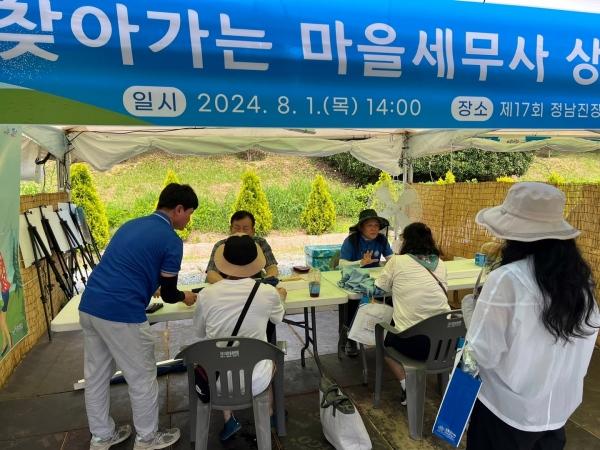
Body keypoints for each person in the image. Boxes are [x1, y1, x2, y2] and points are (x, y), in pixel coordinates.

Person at [465, 182, 599, 450]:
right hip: (556, 413)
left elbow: (482, 354)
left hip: (504, 413)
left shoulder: (507, 279)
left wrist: (471, 311)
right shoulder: (581, 285)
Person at [78, 183, 199, 450]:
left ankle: (102, 436)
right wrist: (184, 297)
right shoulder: (171, 240)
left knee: (96, 376)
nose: (188, 219)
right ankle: (147, 438)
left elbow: (126, 265)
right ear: (178, 209)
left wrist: (148, 283)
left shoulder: (131, 225)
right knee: (142, 376)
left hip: (90, 306)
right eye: (189, 213)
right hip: (122, 313)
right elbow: (168, 294)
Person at [193, 234, 286, 441]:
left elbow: (199, 333)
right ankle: (269, 414)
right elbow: (278, 319)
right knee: (269, 356)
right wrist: (280, 297)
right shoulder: (267, 292)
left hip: (215, 381)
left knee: (222, 355)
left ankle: (229, 420)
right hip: (256, 380)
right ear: (256, 264)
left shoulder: (206, 295)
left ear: (223, 264)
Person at [374, 222, 450, 404]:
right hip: (445, 344)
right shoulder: (440, 263)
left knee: (386, 347)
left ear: (406, 241)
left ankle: (408, 386)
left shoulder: (397, 262)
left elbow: (379, 289)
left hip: (414, 344)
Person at [340, 209, 394, 356]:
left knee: (394, 298)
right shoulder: (352, 241)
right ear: (361, 227)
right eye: (370, 225)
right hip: (354, 280)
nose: (374, 229)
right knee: (352, 302)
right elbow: (341, 264)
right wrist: (361, 262)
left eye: (376, 225)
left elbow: (391, 259)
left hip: (376, 281)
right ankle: (350, 338)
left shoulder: (382, 240)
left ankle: (389, 337)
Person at [205, 211, 278, 284]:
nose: (240, 232)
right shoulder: (221, 246)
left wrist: (267, 282)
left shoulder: (261, 243)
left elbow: (271, 267)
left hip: (255, 283)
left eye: (245, 229)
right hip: (227, 285)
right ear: (230, 229)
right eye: (237, 228)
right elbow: (211, 273)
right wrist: (230, 286)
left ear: (253, 231)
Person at [0, 252, 12, 357]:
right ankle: (5, 342)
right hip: (5, 291)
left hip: (3, 293)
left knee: (2, 321)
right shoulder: (1, 259)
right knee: (1, 322)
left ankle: (8, 341)